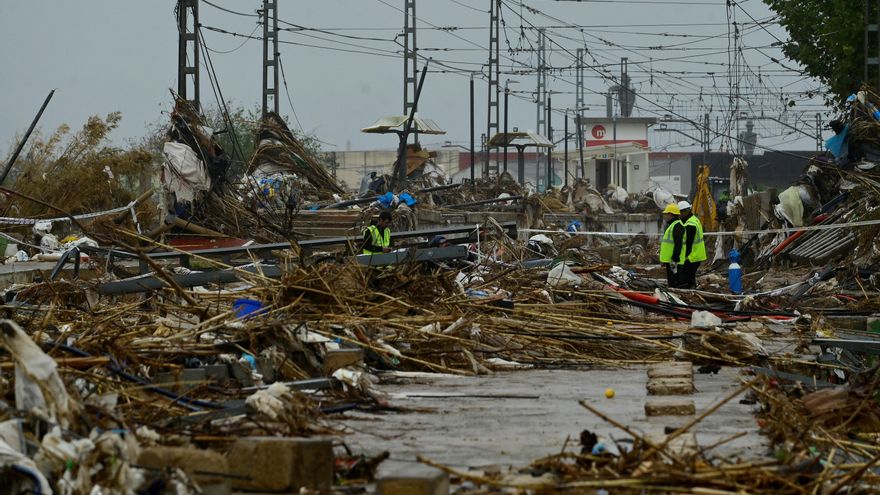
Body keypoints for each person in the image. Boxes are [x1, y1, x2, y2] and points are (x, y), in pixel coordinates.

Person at [677, 200, 707, 289]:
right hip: (697, 255)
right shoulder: (694, 220)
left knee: (685, 278)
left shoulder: (690, 224)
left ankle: (688, 293)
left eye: (680, 213)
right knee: (690, 277)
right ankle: (692, 290)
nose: (679, 215)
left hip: (692, 256)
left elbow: (688, 244)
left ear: (685, 211)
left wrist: (683, 257)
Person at [658, 203, 685, 288]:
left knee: (675, 282)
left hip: (674, 260)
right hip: (671, 260)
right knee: (672, 281)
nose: (665, 216)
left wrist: (675, 258)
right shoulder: (673, 225)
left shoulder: (677, 226)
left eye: (666, 214)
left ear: (671, 214)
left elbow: (678, 243)